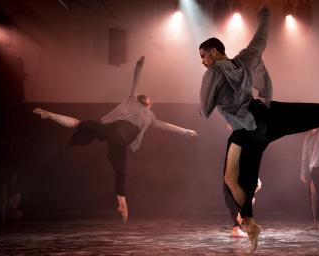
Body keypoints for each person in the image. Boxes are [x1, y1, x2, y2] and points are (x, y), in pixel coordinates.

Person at [198, 3, 319, 251]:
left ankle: (250, 221)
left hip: (247, 131)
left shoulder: (212, 73)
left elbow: (204, 111)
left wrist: (218, 102)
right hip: (264, 114)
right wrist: (265, 15)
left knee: (232, 179)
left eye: (203, 56)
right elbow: (261, 40)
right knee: (308, 114)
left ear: (214, 51)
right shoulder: (244, 60)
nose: (203, 62)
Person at [33, 56, 198, 222]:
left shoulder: (151, 117)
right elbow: (135, 84)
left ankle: (122, 203)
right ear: (144, 101)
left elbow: (165, 126)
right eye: (148, 97)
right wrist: (138, 69)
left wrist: (184, 131)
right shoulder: (134, 102)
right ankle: (122, 202)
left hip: (114, 134)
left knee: (83, 127)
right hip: (119, 134)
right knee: (118, 169)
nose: (150, 99)